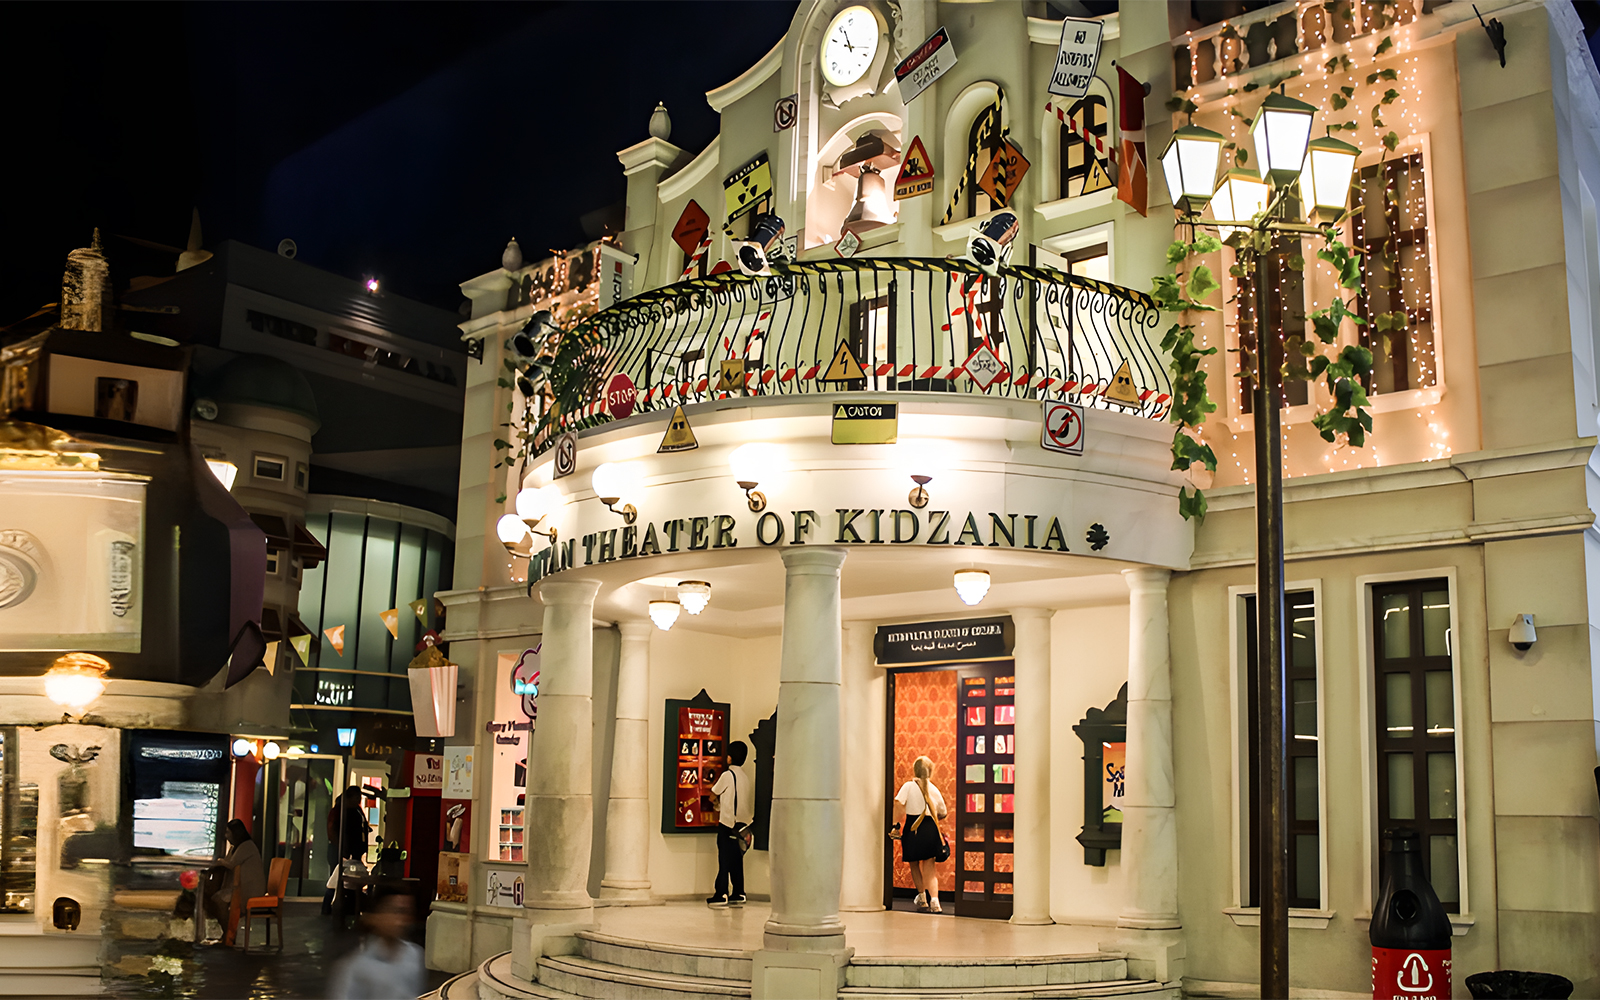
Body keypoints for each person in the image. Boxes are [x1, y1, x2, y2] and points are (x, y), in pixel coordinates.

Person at [328, 887, 426, 1000]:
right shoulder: (356, 967)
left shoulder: (414, 954)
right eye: (396, 912)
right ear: (376, 917)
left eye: (406, 912)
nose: (401, 921)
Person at [891, 755, 948, 913]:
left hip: (913, 827)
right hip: (930, 828)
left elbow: (898, 803)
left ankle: (922, 897)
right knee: (930, 867)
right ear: (930, 771)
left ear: (915, 770)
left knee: (914, 864)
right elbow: (943, 812)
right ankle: (935, 901)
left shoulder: (908, 786)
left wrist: (895, 824)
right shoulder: (934, 789)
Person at [706, 741, 752, 907]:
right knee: (736, 860)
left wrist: (714, 802)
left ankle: (721, 893)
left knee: (724, 859)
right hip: (742, 825)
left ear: (730, 757)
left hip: (727, 824)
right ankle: (739, 892)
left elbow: (713, 793)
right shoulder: (745, 777)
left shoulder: (727, 775)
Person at [205, 818, 266, 934]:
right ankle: (228, 931)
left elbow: (231, 864)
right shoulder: (235, 848)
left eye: (228, 832)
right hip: (240, 888)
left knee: (219, 900)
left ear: (236, 833)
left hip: (249, 891)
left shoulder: (247, 846)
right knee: (215, 899)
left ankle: (229, 932)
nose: (226, 836)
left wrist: (219, 861)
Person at [323, 787, 372, 915]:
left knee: (344, 880)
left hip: (350, 850)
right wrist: (341, 848)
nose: (358, 800)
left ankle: (344, 907)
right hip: (342, 851)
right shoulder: (340, 811)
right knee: (337, 880)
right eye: (356, 798)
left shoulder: (355, 810)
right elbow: (332, 830)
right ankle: (333, 908)